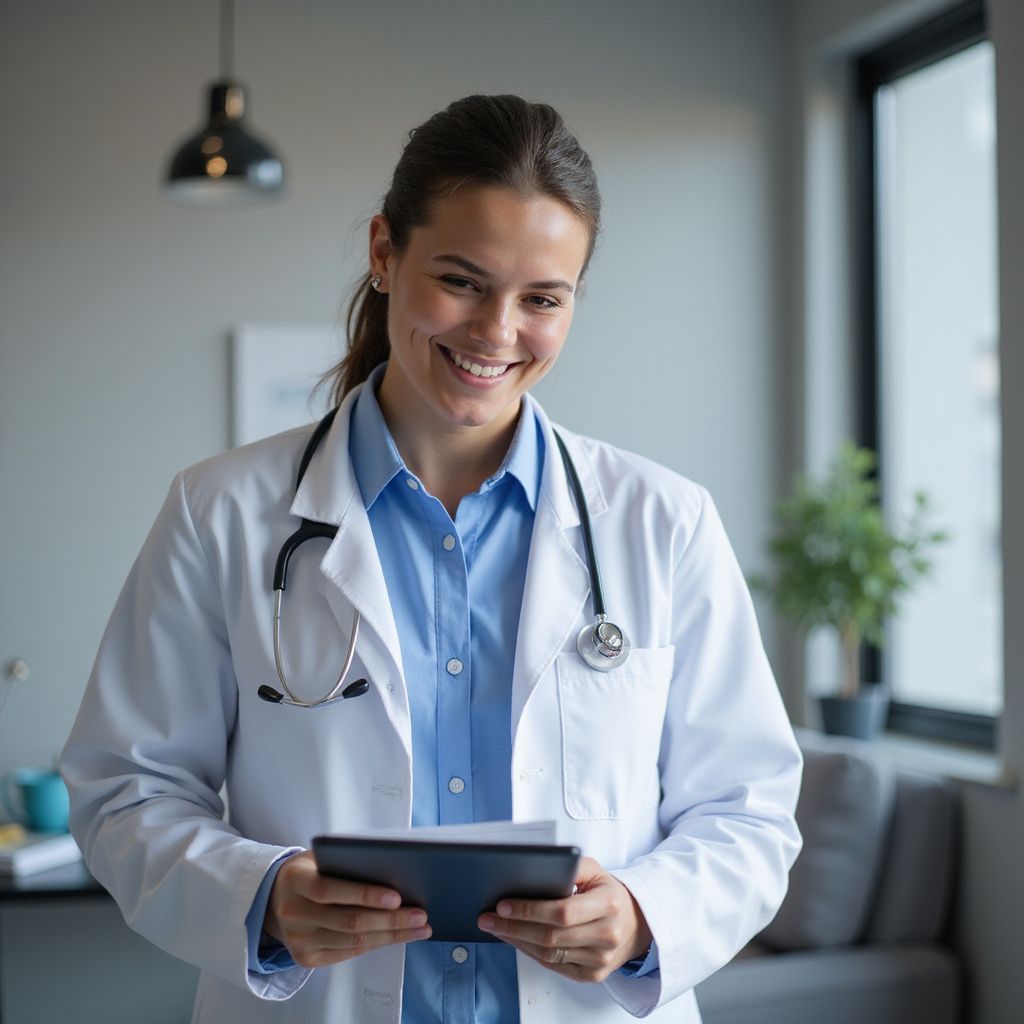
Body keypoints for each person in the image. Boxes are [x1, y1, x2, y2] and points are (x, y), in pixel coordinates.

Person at [60, 94, 802, 1024]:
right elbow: (126, 790)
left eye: (542, 298)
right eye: (461, 280)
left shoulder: (662, 523)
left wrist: (647, 914)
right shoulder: (221, 513)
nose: (497, 330)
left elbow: (749, 810)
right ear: (384, 254)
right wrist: (261, 897)